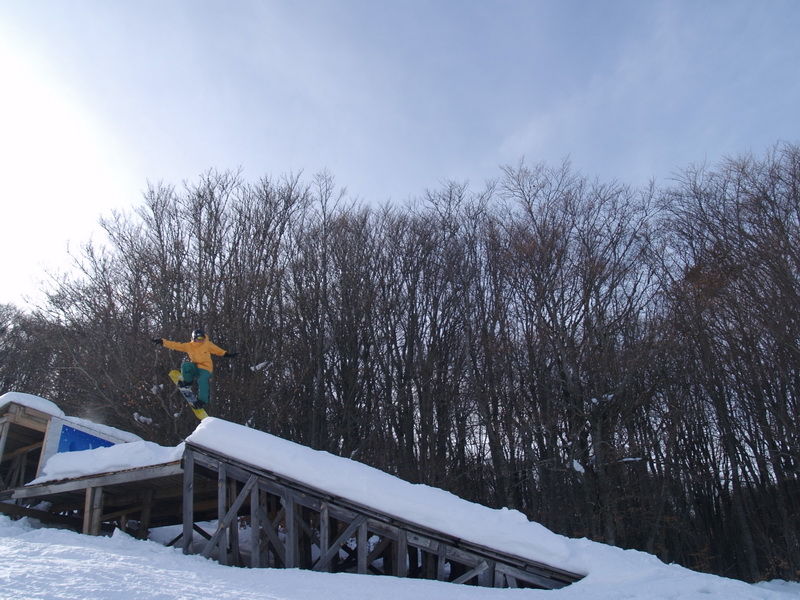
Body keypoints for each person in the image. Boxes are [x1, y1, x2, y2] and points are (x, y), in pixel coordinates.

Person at [151, 328, 237, 408]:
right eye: (199, 338)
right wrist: (163, 342)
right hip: (196, 366)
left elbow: (217, 350)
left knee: (202, 380)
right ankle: (188, 381)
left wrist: (227, 354)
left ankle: (202, 401)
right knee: (186, 365)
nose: (201, 340)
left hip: (206, 369)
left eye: (202, 338)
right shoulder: (189, 346)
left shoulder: (207, 344)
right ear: (194, 338)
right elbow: (176, 345)